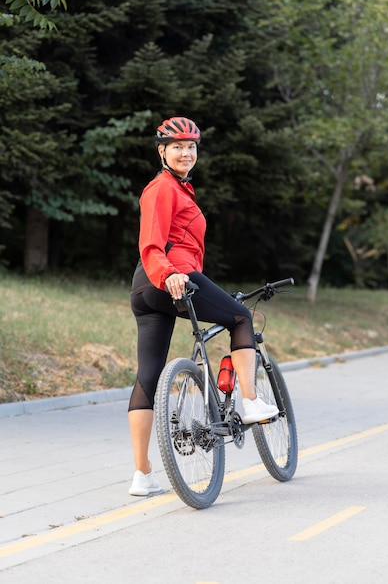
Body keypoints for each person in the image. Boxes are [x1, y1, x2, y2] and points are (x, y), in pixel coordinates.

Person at [128, 116, 278, 496]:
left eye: (191, 147)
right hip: (170, 278)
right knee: (241, 317)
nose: (185, 153)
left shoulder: (181, 189)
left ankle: (142, 475)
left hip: (146, 289)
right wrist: (170, 275)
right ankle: (247, 401)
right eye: (177, 146)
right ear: (162, 151)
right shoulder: (161, 189)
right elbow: (151, 244)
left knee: (149, 376)